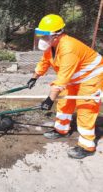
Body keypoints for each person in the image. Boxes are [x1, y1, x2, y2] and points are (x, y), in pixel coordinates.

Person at [27, 14, 103, 159]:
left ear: (57, 35)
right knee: (64, 102)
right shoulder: (51, 46)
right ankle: (61, 130)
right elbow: (45, 62)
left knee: (85, 108)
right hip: (74, 76)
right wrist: (34, 77)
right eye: (40, 35)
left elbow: (62, 78)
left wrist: (49, 99)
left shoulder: (69, 48)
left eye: (44, 35)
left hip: (91, 77)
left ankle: (87, 146)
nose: (42, 39)